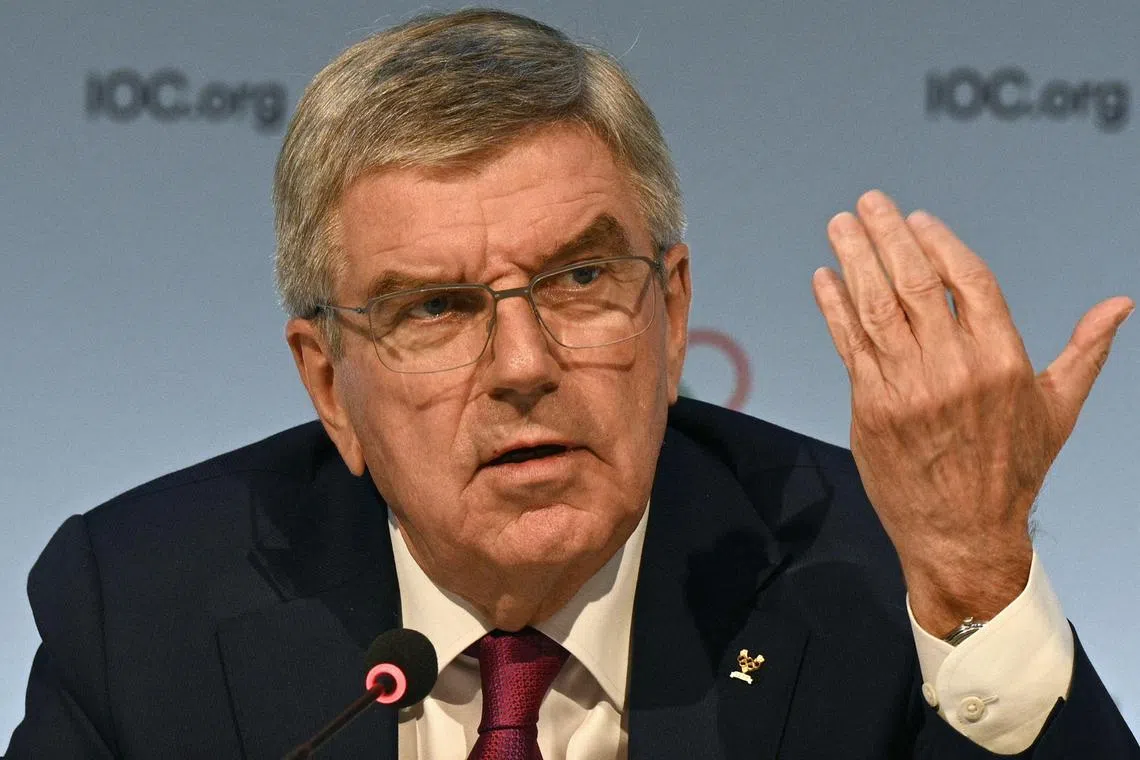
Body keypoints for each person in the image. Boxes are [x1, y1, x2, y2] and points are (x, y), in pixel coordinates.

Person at [6, 8, 1138, 759]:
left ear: (674, 308)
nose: (525, 365)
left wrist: (977, 584)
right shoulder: (139, 608)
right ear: (331, 387)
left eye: (582, 276)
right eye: (435, 308)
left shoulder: (883, 573)